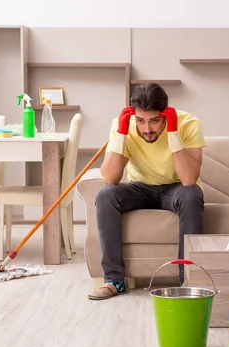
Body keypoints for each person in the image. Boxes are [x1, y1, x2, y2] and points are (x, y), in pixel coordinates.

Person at [88, 83, 206, 300]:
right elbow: (110, 178)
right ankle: (114, 280)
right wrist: (122, 132)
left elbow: (189, 179)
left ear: (165, 115)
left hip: (176, 188)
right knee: (105, 194)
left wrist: (172, 132)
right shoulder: (123, 124)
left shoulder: (188, 123)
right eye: (140, 121)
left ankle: (187, 280)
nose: (147, 129)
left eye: (154, 121)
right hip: (140, 187)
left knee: (192, 195)